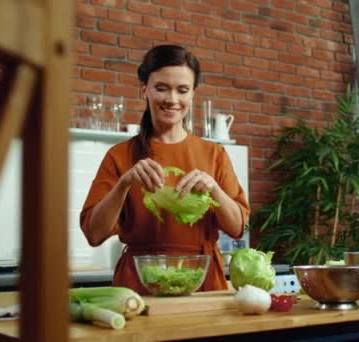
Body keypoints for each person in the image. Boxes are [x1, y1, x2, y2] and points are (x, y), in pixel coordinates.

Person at [80, 44, 249, 293]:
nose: (172, 100)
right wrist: (124, 183)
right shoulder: (119, 156)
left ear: (192, 95)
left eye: (182, 90)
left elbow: (237, 228)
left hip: (202, 282)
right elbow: (94, 234)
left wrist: (214, 189)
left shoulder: (214, 154)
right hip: (140, 282)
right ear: (144, 91)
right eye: (161, 88)